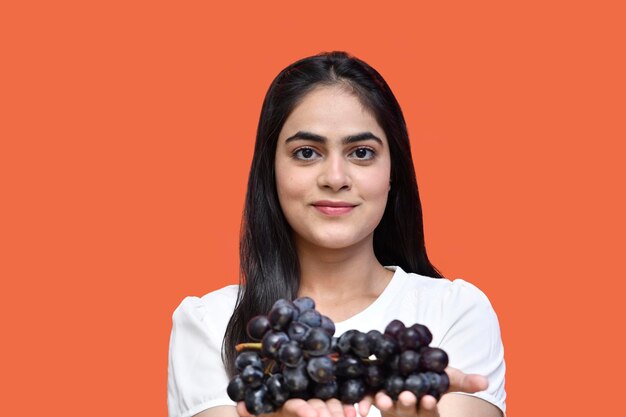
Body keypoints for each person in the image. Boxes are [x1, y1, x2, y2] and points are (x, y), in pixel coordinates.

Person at [167, 51, 506, 417]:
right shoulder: (209, 323)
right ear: (271, 171)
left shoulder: (456, 312)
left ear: (394, 171)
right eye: (307, 153)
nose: (335, 178)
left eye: (361, 152)